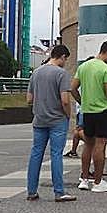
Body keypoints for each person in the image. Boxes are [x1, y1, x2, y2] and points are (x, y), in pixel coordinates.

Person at [72, 40, 107, 192]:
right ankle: (97, 182)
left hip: (87, 111)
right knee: (100, 145)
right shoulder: (106, 69)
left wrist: (82, 102)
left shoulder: (83, 66)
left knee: (88, 145)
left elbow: (72, 88)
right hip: (103, 111)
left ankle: (84, 179)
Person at [26, 44, 77, 202]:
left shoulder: (36, 72)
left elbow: (29, 99)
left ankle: (32, 191)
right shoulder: (62, 74)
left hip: (39, 120)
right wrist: (68, 116)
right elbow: (65, 100)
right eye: (65, 59)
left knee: (36, 154)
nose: (65, 62)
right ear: (62, 57)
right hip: (57, 120)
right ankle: (59, 192)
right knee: (56, 155)